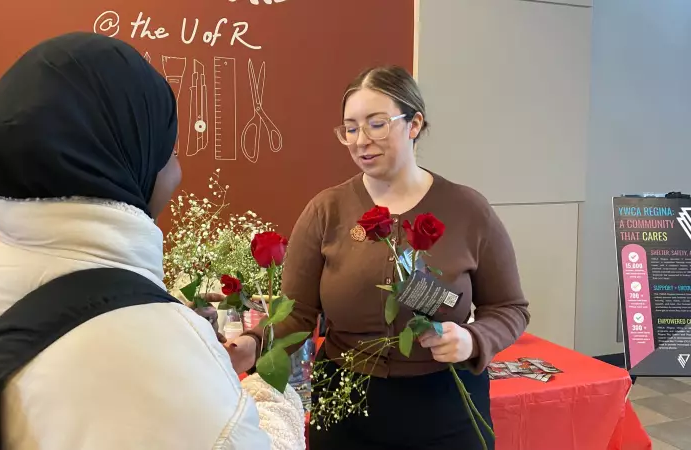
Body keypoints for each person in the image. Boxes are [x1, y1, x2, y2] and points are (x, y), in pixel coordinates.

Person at [0, 32, 304, 450]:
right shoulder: (156, 346)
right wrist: (267, 397)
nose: (178, 174)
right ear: (126, 160)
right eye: (169, 151)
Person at [227, 65, 530, 449]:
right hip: (347, 400)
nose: (360, 140)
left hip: (446, 401)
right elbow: (299, 314)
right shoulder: (327, 210)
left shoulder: (468, 210)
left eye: (376, 124)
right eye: (350, 128)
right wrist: (254, 343)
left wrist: (473, 339)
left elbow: (510, 308)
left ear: (414, 124)